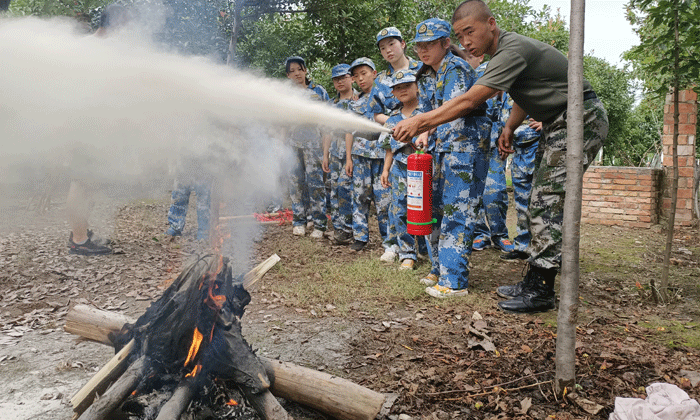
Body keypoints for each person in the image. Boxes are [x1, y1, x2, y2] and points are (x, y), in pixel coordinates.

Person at [392, 0, 609, 313]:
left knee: (547, 200)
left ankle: (542, 289)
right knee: (539, 198)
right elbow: (525, 90)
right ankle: (535, 281)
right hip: (558, 119)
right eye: (460, 35)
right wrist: (510, 125)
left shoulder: (510, 49)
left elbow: (469, 101)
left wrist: (419, 121)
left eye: (470, 32)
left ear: (490, 24)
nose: (466, 41)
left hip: (579, 116)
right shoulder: (502, 56)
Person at [410, 18, 491, 298]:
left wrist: (422, 125)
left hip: (464, 149)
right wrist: (424, 133)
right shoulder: (430, 75)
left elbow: (454, 109)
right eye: (419, 45)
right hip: (443, 148)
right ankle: (440, 268)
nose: (423, 50)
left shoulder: (455, 67)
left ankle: (454, 282)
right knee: (438, 210)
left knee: (459, 211)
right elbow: (434, 113)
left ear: (446, 43)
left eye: (429, 44)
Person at [67, 3, 131, 255]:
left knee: (88, 182)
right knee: (81, 182)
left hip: (90, 127)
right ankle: (79, 241)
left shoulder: (91, 46)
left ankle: (79, 232)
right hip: (86, 127)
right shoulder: (100, 51)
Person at [379, 69, 423, 270]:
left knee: (424, 209)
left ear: (417, 86)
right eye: (397, 88)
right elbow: (389, 148)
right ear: (393, 93)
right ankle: (407, 253)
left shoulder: (427, 113)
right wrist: (386, 170)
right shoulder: (393, 118)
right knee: (399, 209)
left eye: (407, 85)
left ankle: (426, 249)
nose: (402, 90)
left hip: (423, 170)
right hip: (399, 169)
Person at [346, 57, 391, 253]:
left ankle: (389, 239)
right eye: (356, 76)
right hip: (360, 154)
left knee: (383, 199)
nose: (360, 79)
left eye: (364, 74)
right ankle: (360, 237)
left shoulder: (387, 96)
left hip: (381, 155)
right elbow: (349, 130)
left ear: (374, 73)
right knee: (359, 196)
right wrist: (348, 157)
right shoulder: (354, 103)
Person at [284, 56, 330, 239]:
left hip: (314, 145)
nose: (296, 73)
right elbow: (281, 124)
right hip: (292, 145)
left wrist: (325, 151)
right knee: (295, 183)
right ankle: (299, 221)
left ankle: (319, 223)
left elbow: (328, 122)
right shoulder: (285, 95)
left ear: (305, 70)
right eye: (292, 71)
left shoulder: (318, 92)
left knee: (316, 183)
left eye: (299, 69)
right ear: (287, 75)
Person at [471, 88, 515, 254]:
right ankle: (480, 233)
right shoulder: (472, 75)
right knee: (474, 192)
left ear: (480, 58)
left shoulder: (508, 76)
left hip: (496, 146)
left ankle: (500, 234)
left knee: (495, 192)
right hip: (473, 143)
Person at [499, 94, 541, 262]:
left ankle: (544, 250)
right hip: (519, 151)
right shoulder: (507, 89)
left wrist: (548, 123)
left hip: (538, 147)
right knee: (522, 202)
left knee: (542, 203)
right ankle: (523, 246)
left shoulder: (537, 81)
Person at [323, 63, 357, 245]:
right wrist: (325, 155)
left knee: (346, 188)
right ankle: (338, 229)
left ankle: (350, 228)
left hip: (353, 152)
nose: (340, 82)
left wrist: (350, 157)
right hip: (335, 151)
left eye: (343, 77)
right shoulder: (332, 104)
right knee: (334, 189)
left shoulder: (359, 99)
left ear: (351, 78)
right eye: (336, 79)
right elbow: (327, 131)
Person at [368, 27, 423, 125]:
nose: (388, 50)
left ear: (402, 44)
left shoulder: (423, 69)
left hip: (426, 127)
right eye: (383, 48)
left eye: (391, 44)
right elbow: (376, 113)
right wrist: (396, 123)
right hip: (396, 133)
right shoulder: (380, 80)